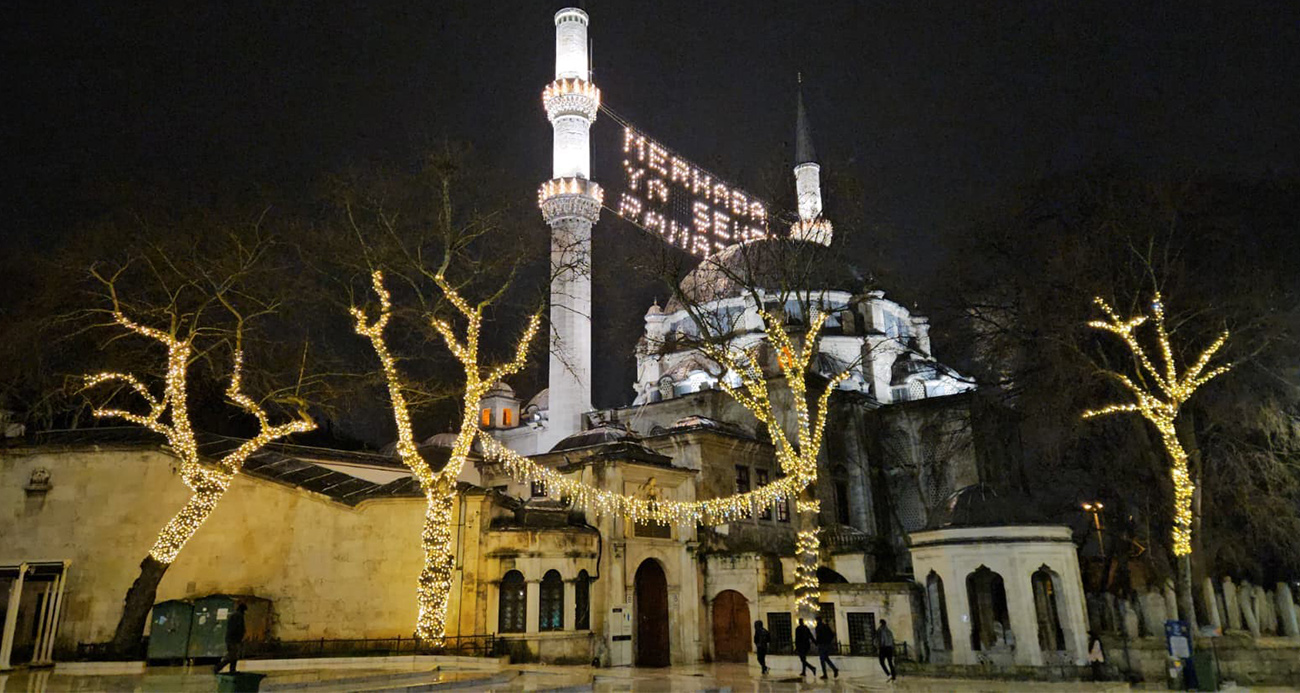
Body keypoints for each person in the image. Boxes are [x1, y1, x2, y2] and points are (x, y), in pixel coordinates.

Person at [214, 603, 247, 674]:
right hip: (233, 639)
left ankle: (232, 669)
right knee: (232, 655)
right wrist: (240, 637)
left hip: (231, 639)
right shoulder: (238, 616)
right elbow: (238, 628)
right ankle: (218, 667)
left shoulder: (235, 615)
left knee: (233, 656)